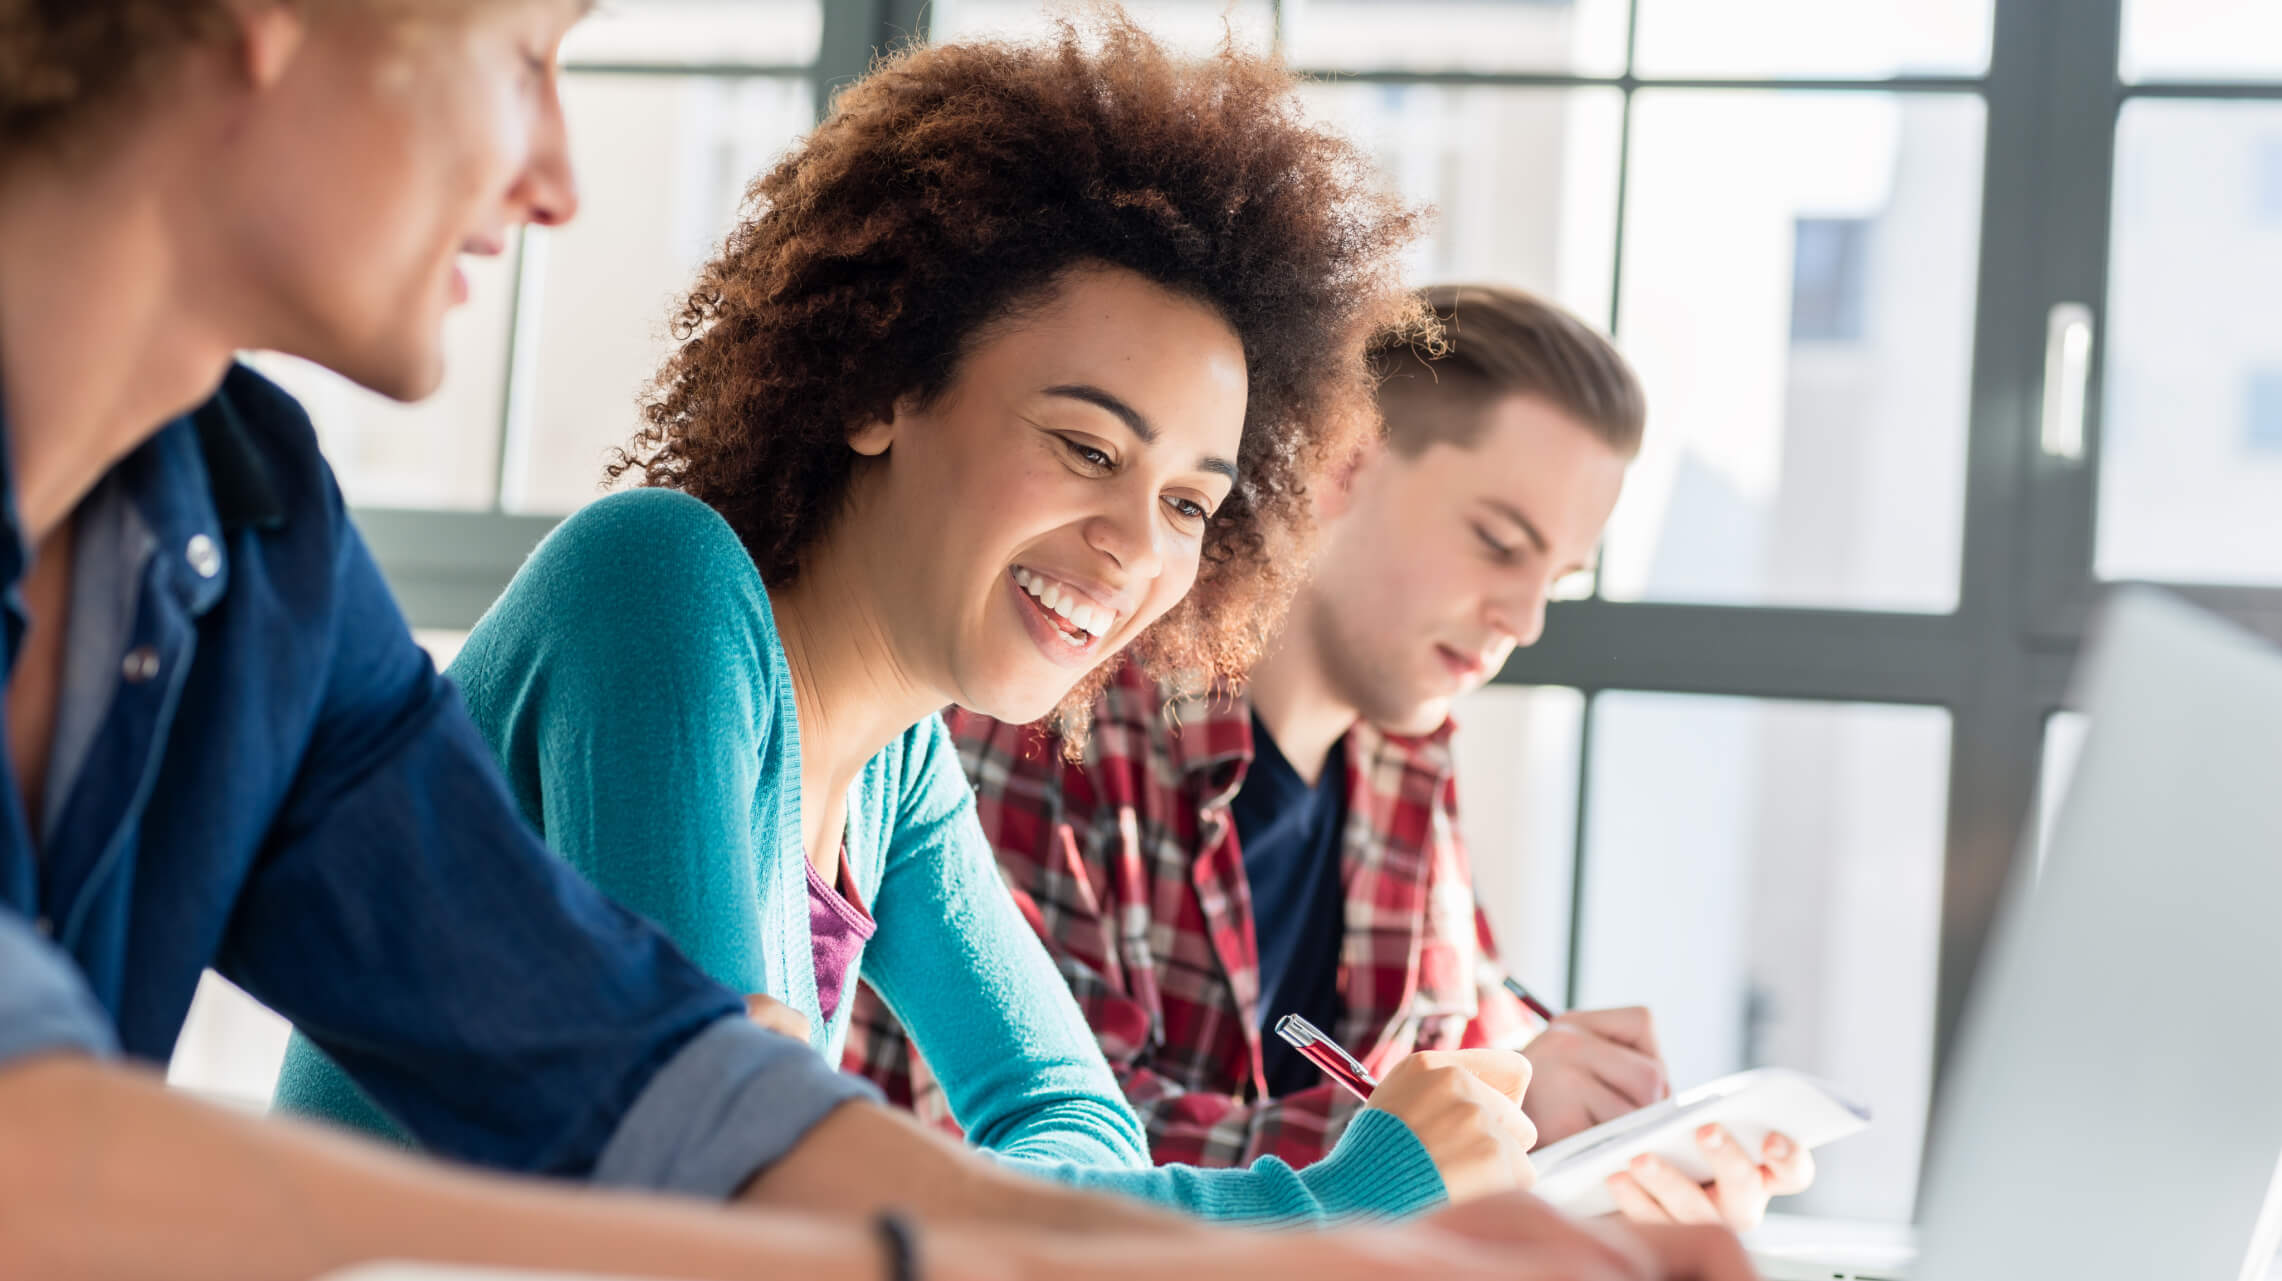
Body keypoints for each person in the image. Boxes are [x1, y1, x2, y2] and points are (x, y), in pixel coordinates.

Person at [0, 4, 1759, 1278]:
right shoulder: (661, 590)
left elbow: (657, 1095)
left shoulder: (257, 541)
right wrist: (1305, 1228)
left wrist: (1311, 1255)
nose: (555, 179)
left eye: (1189, 500)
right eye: (523, 51)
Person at [275, 13, 1556, 1226]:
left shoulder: (897, 764)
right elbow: (731, 1195)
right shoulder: (657, 589)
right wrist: (1328, 1204)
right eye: (1080, 444)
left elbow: (1069, 1116)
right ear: (884, 388)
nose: (1133, 544)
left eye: (1185, 502)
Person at [847, 283, 1817, 1230]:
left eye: (1554, 578)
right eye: (1496, 542)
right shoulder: (1049, 705)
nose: (1523, 621)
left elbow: (1463, 1062)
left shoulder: (1411, 758)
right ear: (1342, 467)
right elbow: (1053, 1172)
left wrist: (1607, 1149)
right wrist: (1429, 1148)